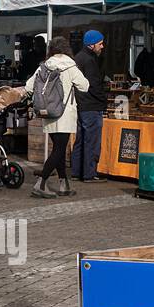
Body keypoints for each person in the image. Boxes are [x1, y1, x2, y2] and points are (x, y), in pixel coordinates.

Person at [25, 36, 89, 199]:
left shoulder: (44, 67)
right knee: (59, 150)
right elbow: (85, 86)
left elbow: (29, 86)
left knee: (58, 150)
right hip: (65, 113)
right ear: (66, 49)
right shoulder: (70, 66)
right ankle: (40, 183)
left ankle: (63, 184)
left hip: (48, 112)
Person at [72, 30, 107, 182]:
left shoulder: (78, 58)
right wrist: (104, 101)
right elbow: (94, 85)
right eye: (100, 43)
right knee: (91, 141)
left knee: (80, 140)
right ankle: (89, 174)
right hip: (91, 106)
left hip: (81, 105)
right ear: (92, 45)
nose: (102, 46)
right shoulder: (89, 60)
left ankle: (76, 172)